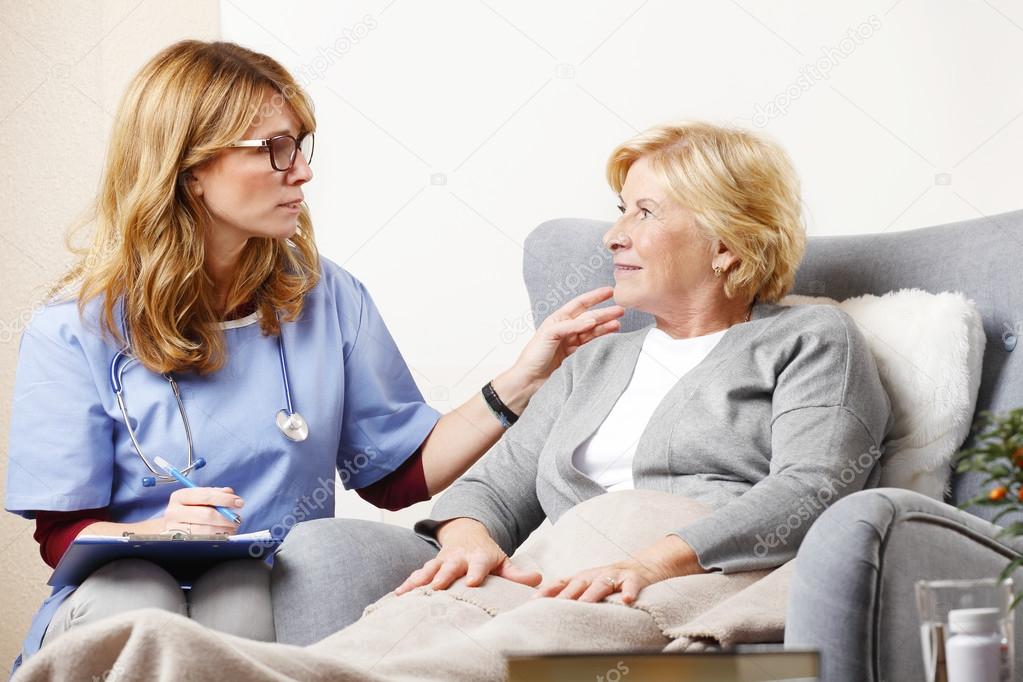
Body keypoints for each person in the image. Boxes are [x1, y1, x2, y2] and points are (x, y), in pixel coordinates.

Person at [2, 40, 623, 669]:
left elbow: (395, 474)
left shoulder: (325, 296)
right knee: (140, 594)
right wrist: (155, 533)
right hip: (122, 587)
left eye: (301, 143)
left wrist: (527, 374)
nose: (301, 169)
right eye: (273, 148)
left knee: (239, 596)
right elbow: (61, 535)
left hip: (259, 585)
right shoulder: (74, 330)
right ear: (190, 169)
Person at [269, 121, 894, 646]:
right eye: (621, 210)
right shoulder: (594, 361)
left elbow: (812, 489)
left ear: (726, 243)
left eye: (644, 212)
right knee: (384, 640)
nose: (613, 234)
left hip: (684, 579)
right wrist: (467, 538)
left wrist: (652, 561)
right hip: (561, 574)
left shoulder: (810, 338)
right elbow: (492, 485)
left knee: (470, 660)